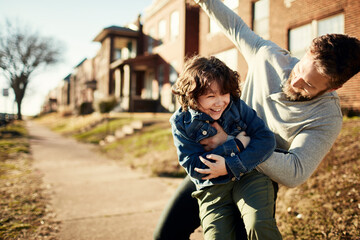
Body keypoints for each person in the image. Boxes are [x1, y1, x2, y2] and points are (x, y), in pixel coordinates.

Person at [153, 0, 360, 239]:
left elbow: (295, 171)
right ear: (306, 54)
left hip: (256, 179)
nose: (295, 83)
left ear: (335, 87)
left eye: (309, 85)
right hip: (212, 165)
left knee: (250, 231)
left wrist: (230, 142)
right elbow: (235, 27)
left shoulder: (326, 117)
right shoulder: (269, 57)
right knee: (166, 234)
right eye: (299, 70)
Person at [169, 54, 281, 239]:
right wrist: (236, 144)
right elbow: (194, 167)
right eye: (211, 96)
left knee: (258, 224)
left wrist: (231, 165)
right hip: (212, 187)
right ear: (192, 96)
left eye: (224, 93)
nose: (220, 102)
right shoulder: (181, 122)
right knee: (216, 236)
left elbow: (266, 139)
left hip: (249, 176)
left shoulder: (237, 106)